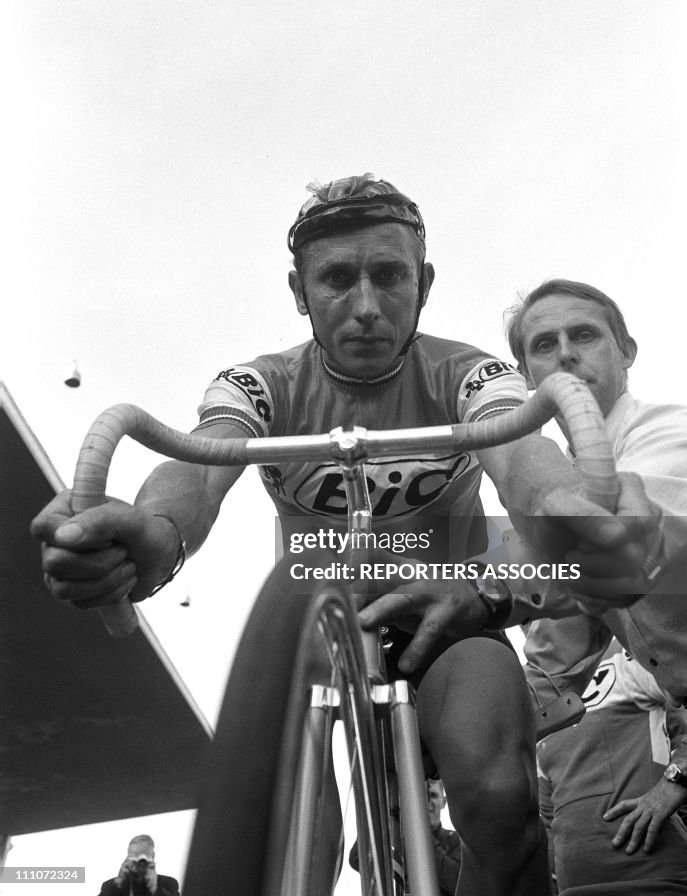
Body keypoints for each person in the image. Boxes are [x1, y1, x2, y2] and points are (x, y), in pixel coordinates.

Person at [33, 177, 654, 896]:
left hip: (444, 610)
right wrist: (158, 532)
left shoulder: (469, 371)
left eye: (388, 276)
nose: (364, 307)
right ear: (299, 291)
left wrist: (571, 512)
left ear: (421, 283)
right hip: (315, 618)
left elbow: (523, 463)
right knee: (294, 822)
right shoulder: (261, 382)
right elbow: (200, 468)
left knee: (500, 801)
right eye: (335, 279)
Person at [503, 279, 687, 706]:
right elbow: (554, 669)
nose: (566, 353)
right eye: (545, 345)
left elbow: (615, 533)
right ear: (527, 376)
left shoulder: (672, 433)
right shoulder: (567, 482)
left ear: (626, 352)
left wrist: (472, 584)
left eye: (584, 335)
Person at [530, 639, 687, 893]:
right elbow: (549, 819)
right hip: (574, 887)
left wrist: (676, 781)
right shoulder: (532, 695)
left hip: (650, 878)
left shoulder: (626, 651)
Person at [97, 835, 179, 896]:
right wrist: (118, 884)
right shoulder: (109, 887)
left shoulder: (168, 885)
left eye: (142, 858)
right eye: (133, 858)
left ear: (153, 856)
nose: (139, 863)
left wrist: (155, 889)